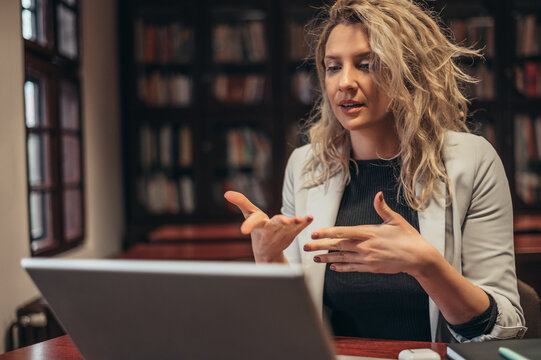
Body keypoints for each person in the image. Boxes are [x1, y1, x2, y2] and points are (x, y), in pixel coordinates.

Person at [225, 0, 526, 343]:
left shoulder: (473, 160)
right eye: (333, 67)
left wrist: (425, 265)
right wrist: (268, 260)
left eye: (366, 64)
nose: (345, 83)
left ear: (409, 71)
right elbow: (296, 332)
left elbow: (505, 327)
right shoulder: (306, 166)